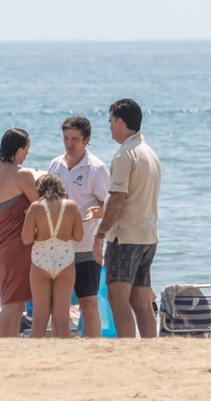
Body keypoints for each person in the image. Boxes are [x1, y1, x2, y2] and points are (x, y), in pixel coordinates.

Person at [94, 99, 162, 338]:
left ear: (121, 122)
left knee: (117, 298)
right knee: (140, 300)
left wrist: (100, 233)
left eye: (111, 122)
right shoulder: (149, 152)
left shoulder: (125, 154)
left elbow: (117, 199)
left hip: (126, 237)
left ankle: (127, 349)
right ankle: (147, 347)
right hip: (148, 235)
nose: (110, 127)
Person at [46, 116, 110, 337]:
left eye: (74, 139)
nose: (69, 143)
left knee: (88, 302)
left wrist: (99, 237)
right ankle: (59, 347)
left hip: (85, 247)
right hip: (57, 246)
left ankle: (91, 350)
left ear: (87, 140)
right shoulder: (55, 165)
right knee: (58, 305)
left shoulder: (96, 168)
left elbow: (109, 207)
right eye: (65, 138)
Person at [0, 128, 38, 338]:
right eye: (27, 150)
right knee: (13, 303)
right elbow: (41, 204)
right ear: (18, 152)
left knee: (14, 303)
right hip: (16, 245)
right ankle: (0, 346)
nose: (27, 155)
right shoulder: (22, 175)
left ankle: (11, 344)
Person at [22, 173, 83, 338]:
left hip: (41, 261)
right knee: (62, 317)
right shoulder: (71, 206)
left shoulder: (35, 207)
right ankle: (63, 356)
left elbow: (26, 239)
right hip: (65, 261)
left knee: (40, 318)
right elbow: (78, 237)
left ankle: (37, 357)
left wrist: (38, 231)